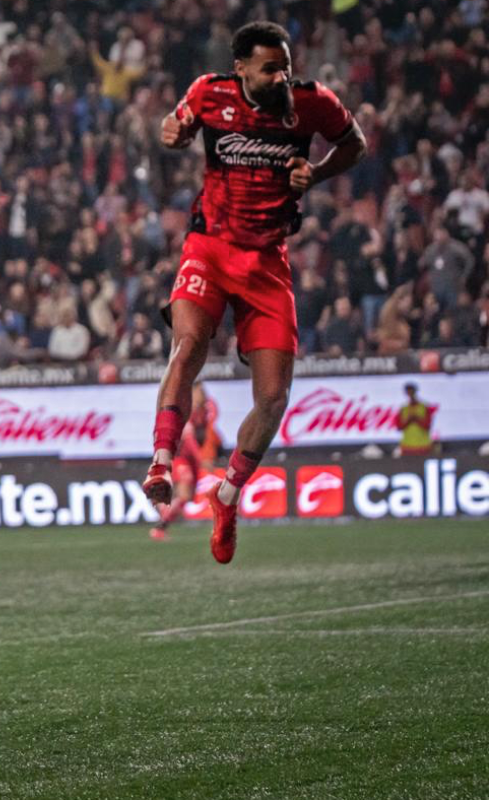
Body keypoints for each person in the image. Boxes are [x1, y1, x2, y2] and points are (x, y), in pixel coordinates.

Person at [146, 21, 367, 564]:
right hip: (209, 247)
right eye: (270, 67)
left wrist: (314, 174)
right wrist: (169, 133)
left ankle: (227, 493)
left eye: (285, 65)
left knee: (272, 398)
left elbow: (354, 143)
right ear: (241, 67)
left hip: (268, 261)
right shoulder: (210, 93)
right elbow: (172, 126)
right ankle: (160, 461)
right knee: (188, 346)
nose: (281, 75)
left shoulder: (312, 105)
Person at [149, 383, 222, 542]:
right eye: (197, 392)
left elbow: (208, 432)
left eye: (202, 392)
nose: (200, 395)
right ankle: (159, 527)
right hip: (179, 456)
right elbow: (188, 440)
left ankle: (161, 507)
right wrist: (202, 460)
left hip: (190, 459)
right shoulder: (186, 410)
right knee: (184, 492)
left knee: (187, 498)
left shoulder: (204, 411)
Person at [398, 382, 436, 457]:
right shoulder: (403, 409)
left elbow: (427, 426)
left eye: (411, 391)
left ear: (415, 391)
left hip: (423, 446)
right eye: (408, 392)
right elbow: (399, 427)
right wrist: (409, 420)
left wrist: (416, 418)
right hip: (407, 446)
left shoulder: (424, 407)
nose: (410, 394)